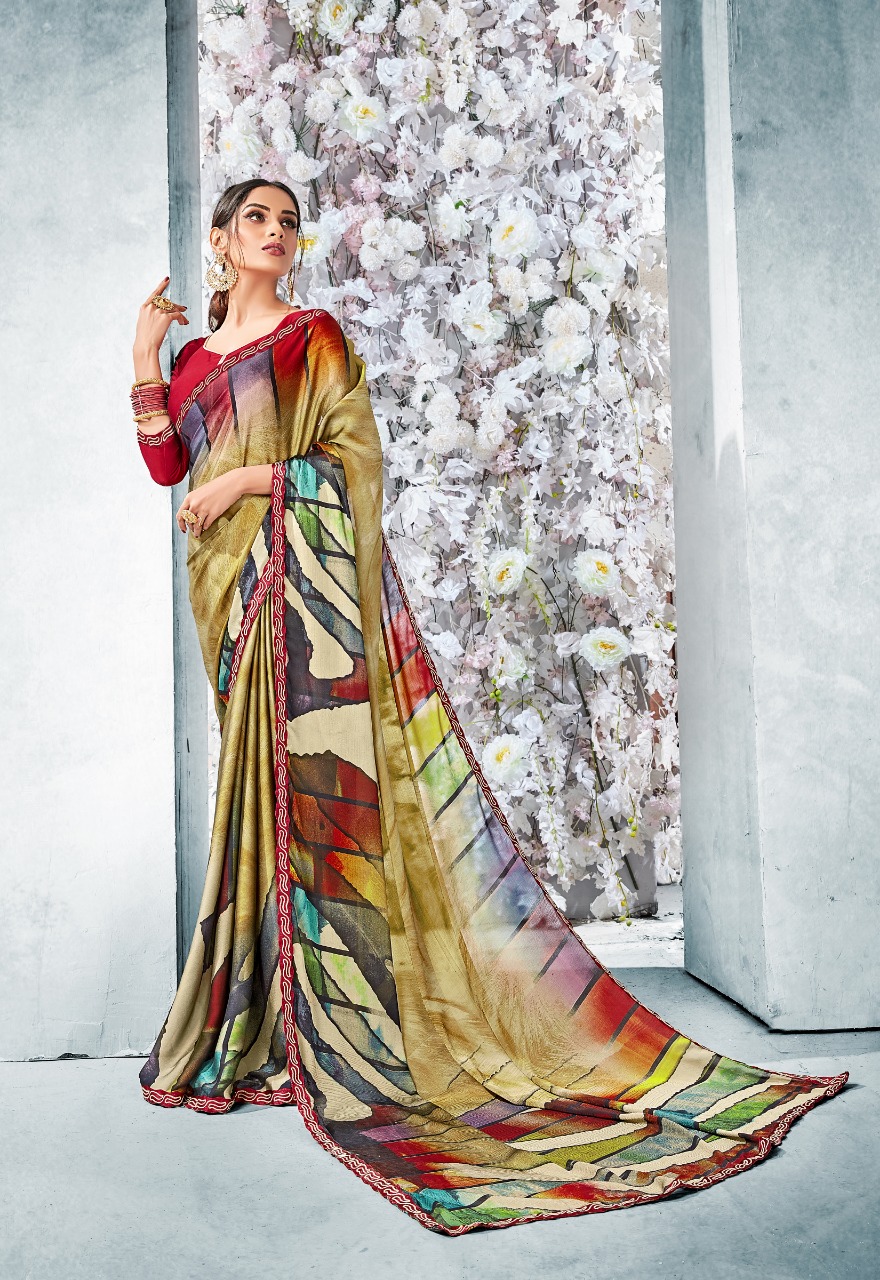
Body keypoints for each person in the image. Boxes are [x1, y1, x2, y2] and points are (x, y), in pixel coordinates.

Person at [131, 178, 848, 1235]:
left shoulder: (311, 339)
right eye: (256, 220)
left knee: (311, 792)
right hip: (225, 594)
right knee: (256, 798)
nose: (276, 234)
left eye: (288, 221)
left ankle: (335, 1019)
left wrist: (246, 485)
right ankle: (269, 1019)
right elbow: (164, 465)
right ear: (221, 239)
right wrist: (142, 355)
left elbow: (353, 466)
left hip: (297, 593)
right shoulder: (196, 358)